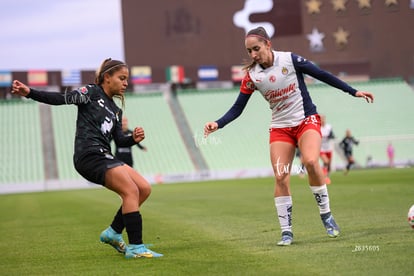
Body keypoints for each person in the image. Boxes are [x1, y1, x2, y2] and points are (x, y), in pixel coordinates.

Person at [203, 26, 374, 246]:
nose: (254, 55)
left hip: (306, 121)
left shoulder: (290, 60)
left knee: (311, 161)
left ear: (268, 44)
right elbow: (238, 108)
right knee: (281, 176)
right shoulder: (252, 76)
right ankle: (286, 232)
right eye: (249, 51)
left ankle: (327, 216)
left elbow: (322, 75)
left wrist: (354, 91)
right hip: (280, 128)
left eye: (257, 48)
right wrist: (217, 123)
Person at [11, 58, 162, 259]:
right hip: (88, 155)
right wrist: (30, 93)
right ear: (107, 77)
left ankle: (113, 233)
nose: (126, 83)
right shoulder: (91, 92)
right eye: (122, 78)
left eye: (127, 79)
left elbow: (119, 140)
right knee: (131, 190)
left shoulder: (116, 110)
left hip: (104, 154)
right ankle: (136, 248)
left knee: (144, 188)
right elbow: (61, 98)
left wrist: (133, 139)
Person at [320, 115, 335, 184]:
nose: (322, 120)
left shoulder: (329, 127)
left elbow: (333, 135)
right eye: (321, 119)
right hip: (321, 148)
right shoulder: (318, 127)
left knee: (328, 164)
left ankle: (326, 176)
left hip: (329, 148)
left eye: (323, 119)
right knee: (326, 161)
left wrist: (330, 136)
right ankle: (324, 177)